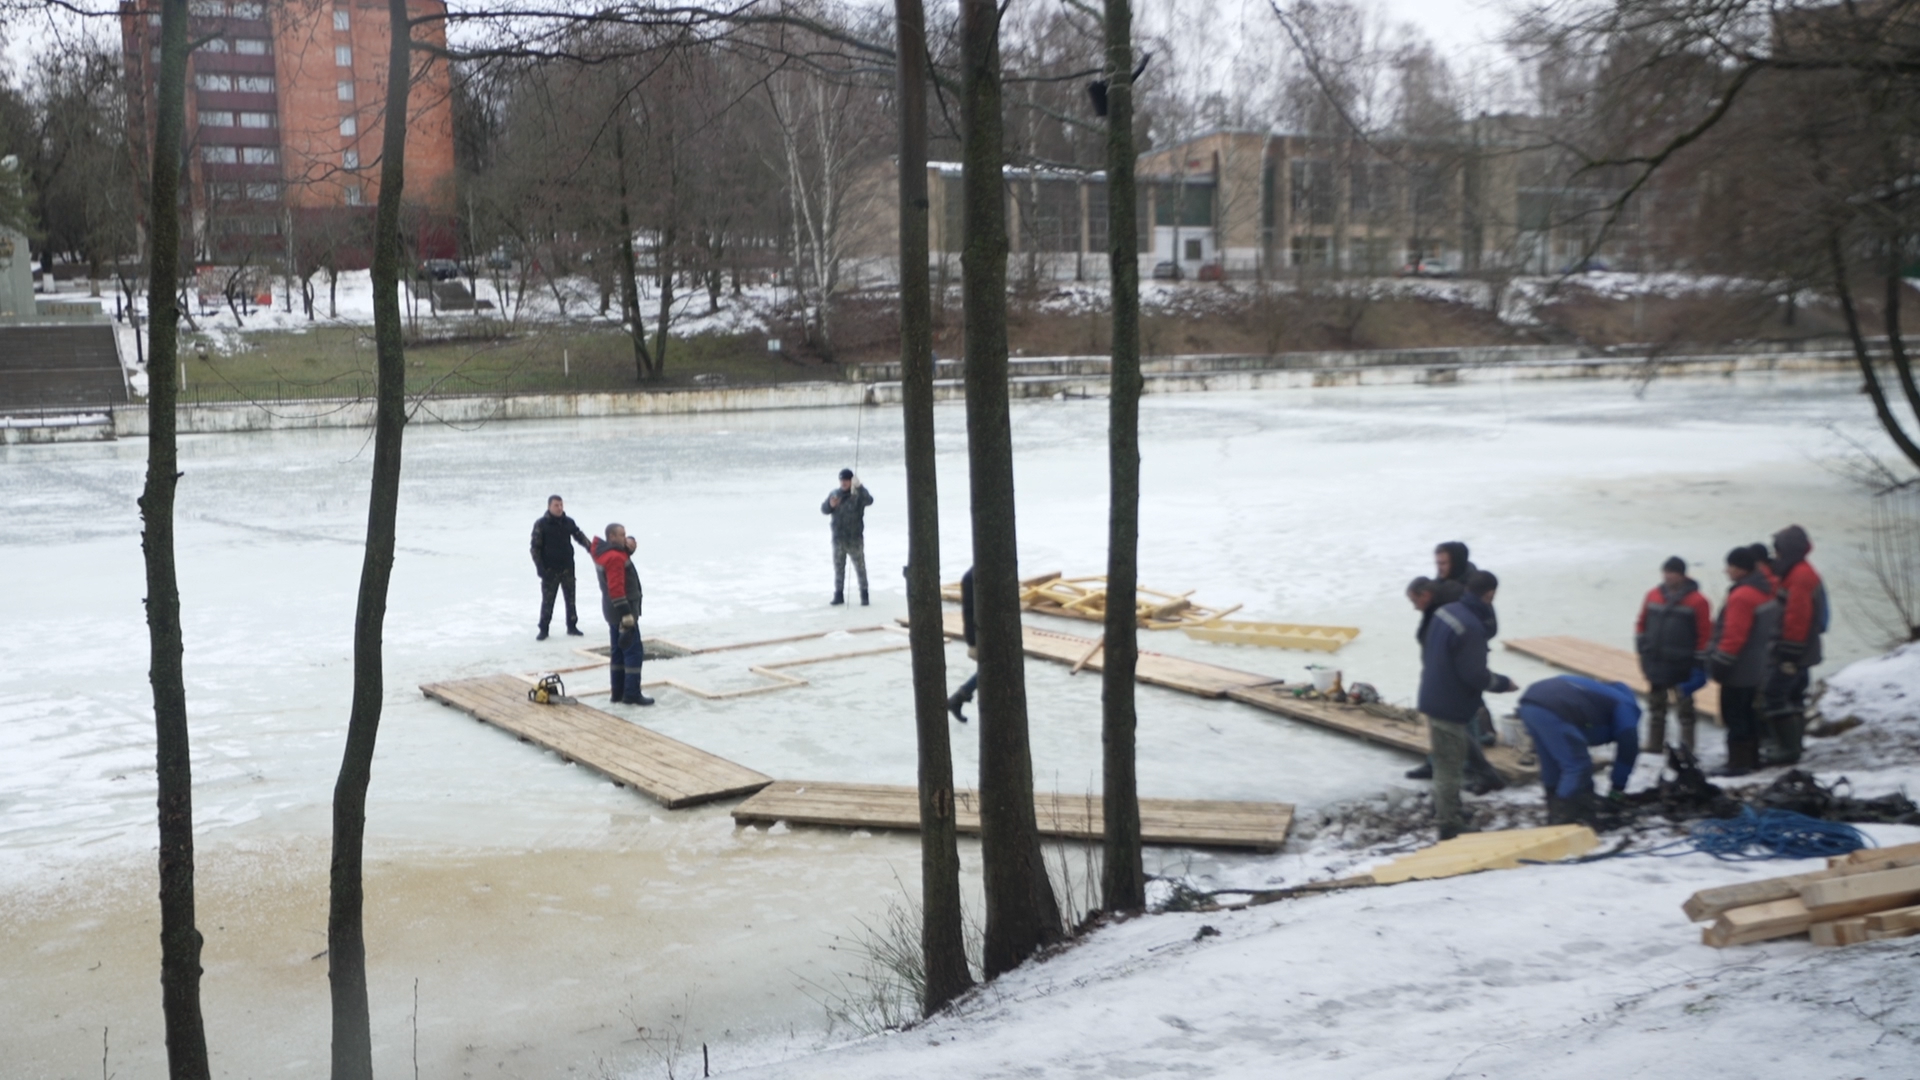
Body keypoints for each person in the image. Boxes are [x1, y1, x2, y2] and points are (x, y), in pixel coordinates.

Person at [1418, 569, 1520, 839]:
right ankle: (1449, 824)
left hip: (1433, 693)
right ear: (1490, 594)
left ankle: (1448, 808)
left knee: (1449, 758)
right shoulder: (1471, 627)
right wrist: (1503, 683)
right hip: (1450, 705)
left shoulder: (1446, 611)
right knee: (1448, 767)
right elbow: (1475, 674)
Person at [1402, 577, 1504, 792]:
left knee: (1465, 726)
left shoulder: (1452, 607)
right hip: (1445, 676)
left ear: (1426, 595)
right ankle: (1481, 772)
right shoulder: (1443, 606)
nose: (1414, 607)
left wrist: (1499, 682)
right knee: (1452, 730)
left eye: (1414, 601)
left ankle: (1473, 777)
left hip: (1456, 678)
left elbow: (1475, 652)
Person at [1517, 675, 1641, 827]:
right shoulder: (1626, 705)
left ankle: (1557, 806)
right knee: (1578, 766)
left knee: (1552, 761)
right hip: (1554, 709)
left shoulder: (1596, 694)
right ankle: (1560, 820)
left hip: (1530, 703)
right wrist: (1617, 788)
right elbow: (1628, 748)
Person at [1707, 546, 1780, 776]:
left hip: (1739, 668)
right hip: (1759, 664)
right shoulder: (1766, 589)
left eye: (1730, 566)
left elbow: (1734, 636)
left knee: (1734, 714)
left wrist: (1719, 663)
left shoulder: (1741, 596)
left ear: (1740, 569)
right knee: (1750, 714)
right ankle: (1752, 758)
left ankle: (1738, 763)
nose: (1726, 570)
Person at [1634, 555, 1711, 752]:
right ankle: (1654, 744)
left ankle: (1687, 747)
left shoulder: (1698, 601)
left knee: (1685, 709)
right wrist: (1642, 647)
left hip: (1682, 664)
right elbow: (1642, 622)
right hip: (1657, 661)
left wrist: (1699, 661)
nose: (1668, 577)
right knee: (1656, 706)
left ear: (1682, 575)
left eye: (1672, 573)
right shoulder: (1652, 595)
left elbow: (1704, 632)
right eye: (1665, 572)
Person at [1764, 525, 1827, 765]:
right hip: (1805, 649)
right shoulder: (1800, 572)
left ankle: (1787, 749)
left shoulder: (1799, 577)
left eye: (1778, 550)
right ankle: (1794, 743)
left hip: (1794, 650)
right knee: (1794, 695)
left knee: (1776, 694)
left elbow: (1797, 618)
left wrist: (1788, 654)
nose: (1776, 555)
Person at [591, 524, 653, 707]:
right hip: (622, 611)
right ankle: (632, 693)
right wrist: (626, 614)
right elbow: (616, 589)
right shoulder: (615, 558)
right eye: (622, 535)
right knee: (633, 652)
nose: (625, 538)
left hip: (610, 611)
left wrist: (630, 543)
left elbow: (622, 551)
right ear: (611, 537)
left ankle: (617, 692)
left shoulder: (603, 551)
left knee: (617, 652)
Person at [529, 494, 591, 640]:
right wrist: (540, 568)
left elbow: (579, 536)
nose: (559, 508)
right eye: (556, 505)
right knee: (548, 601)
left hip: (567, 567)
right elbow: (534, 548)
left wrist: (592, 548)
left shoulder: (568, 522)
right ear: (549, 506)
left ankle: (572, 626)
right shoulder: (541, 524)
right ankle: (544, 629)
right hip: (549, 569)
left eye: (561, 505)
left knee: (570, 599)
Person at [822, 468, 874, 606]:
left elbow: (869, 501)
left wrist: (860, 486)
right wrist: (830, 505)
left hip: (855, 539)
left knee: (860, 568)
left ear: (851, 481)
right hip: (838, 539)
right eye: (842, 480)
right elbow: (824, 509)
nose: (844, 482)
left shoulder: (858, 494)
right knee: (839, 568)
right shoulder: (835, 494)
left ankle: (864, 595)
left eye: (846, 480)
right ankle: (838, 595)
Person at [946, 567, 977, 723]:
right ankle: (959, 697)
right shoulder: (975, 576)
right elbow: (970, 611)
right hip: (981, 633)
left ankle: (959, 698)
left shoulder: (972, 575)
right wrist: (973, 640)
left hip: (981, 632)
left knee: (994, 669)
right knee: (994, 669)